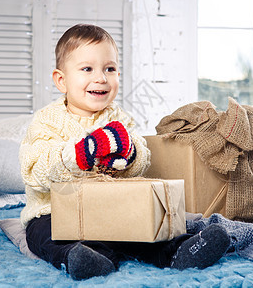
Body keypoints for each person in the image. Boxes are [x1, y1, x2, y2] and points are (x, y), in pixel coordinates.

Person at [20, 24, 230, 280]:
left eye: (110, 69)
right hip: (54, 212)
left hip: (110, 210)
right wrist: (82, 153)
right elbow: (35, 169)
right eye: (87, 69)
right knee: (43, 235)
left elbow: (143, 160)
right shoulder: (47, 121)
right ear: (61, 80)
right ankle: (83, 258)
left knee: (138, 227)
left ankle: (178, 250)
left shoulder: (118, 119)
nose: (101, 78)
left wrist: (129, 155)